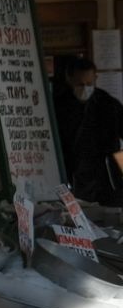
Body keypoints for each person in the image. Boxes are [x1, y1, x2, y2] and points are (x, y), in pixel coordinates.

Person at [53, 54, 123, 204]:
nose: (85, 88)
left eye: (89, 83)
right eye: (80, 84)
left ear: (95, 79)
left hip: (106, 176)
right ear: (69, 80)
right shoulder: (58, 107)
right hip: (72, 174)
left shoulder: (109, 105)